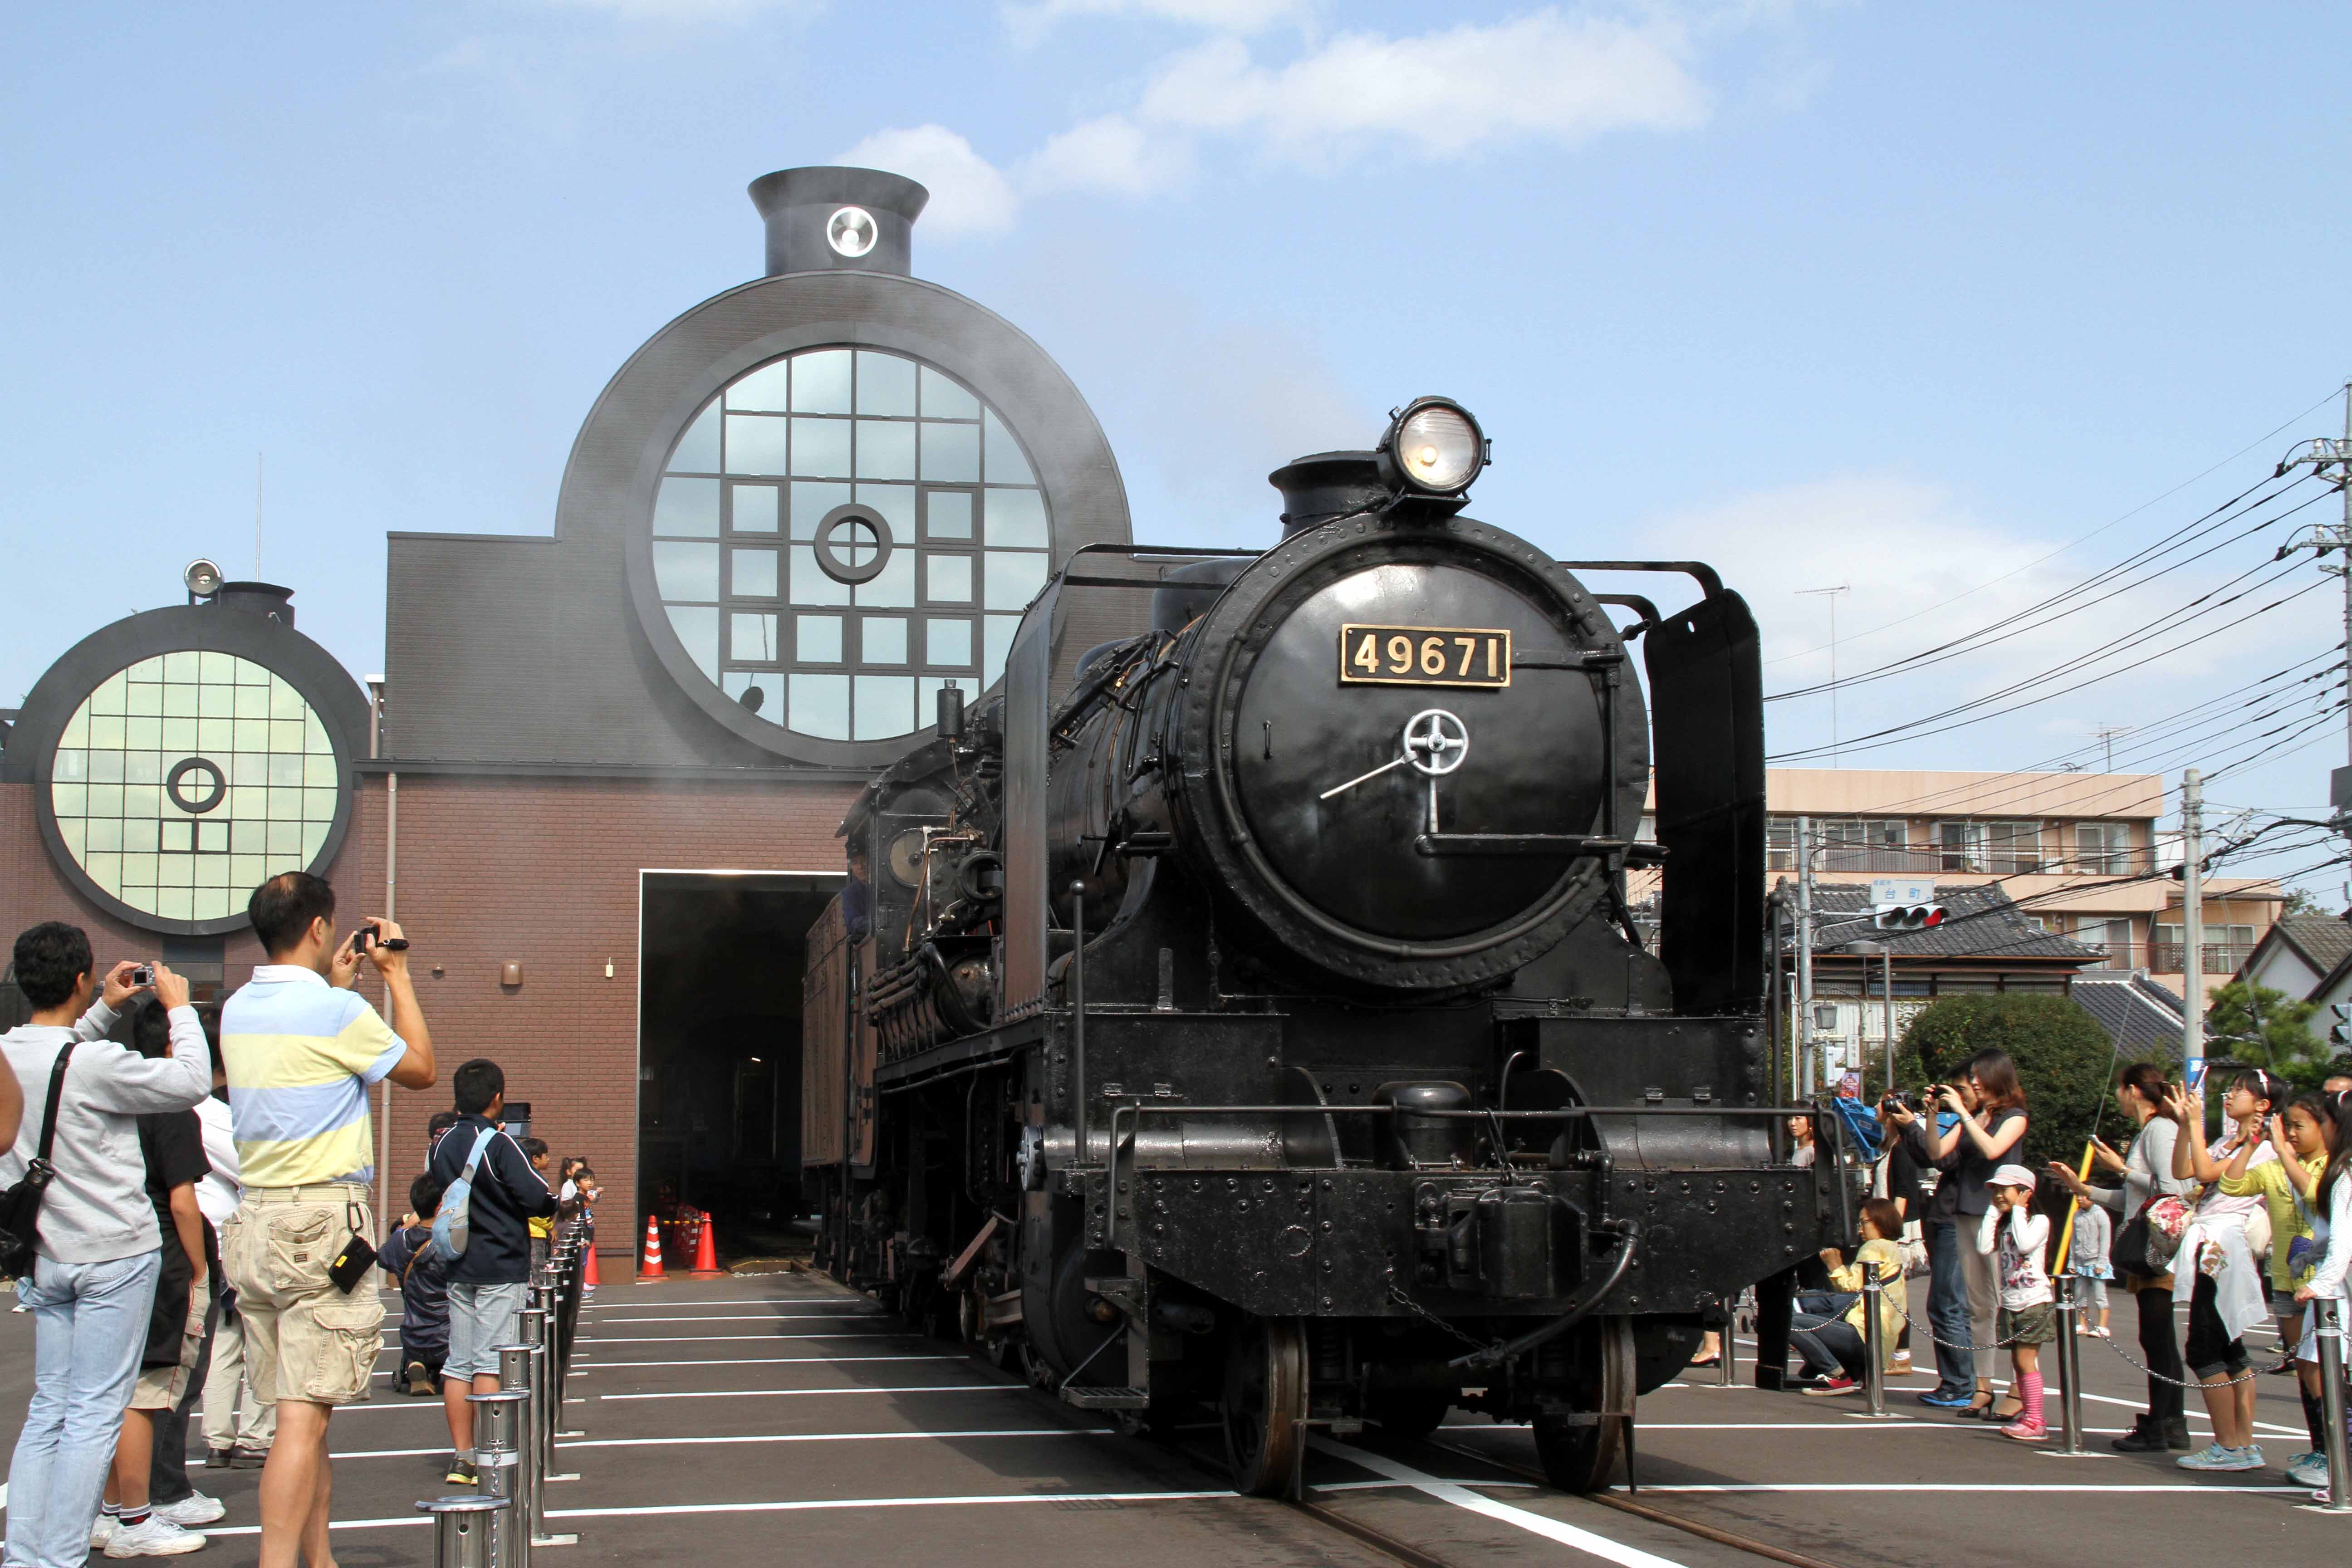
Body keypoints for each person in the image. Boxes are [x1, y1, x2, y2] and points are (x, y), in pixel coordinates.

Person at [219, 873, 435, 1568]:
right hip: (320, 1221)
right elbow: (423, 1069)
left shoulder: (237, 1009)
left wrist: (339, 989)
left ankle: (321, 1558)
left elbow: (302, 1057)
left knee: (304, 1416)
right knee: (300, 1421)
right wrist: (395, 975)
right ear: (318, 928)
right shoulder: (335, 1014)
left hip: (255, 1220)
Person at [0, 925, 209, 1568]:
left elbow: (60, 1057)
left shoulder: (11, 1054)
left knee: (51, 1410)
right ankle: (60, 1556)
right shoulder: (96, 1064)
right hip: (115, 1254)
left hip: (45, 1254)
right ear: (79, 978)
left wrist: (103, 1009)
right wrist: (179, 1007)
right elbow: (192, 1081)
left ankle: (27, 1554)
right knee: (96, 1413)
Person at [90, 1001, 223, 1558]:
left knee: (110, 1395)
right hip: (167, 1260)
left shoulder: (111, 1097)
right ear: (175, 1048)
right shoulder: (171, 1109)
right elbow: (184, 1200)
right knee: (148, 1398)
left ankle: (108, 1513)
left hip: (116, 1255)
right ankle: (138, 1515)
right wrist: (198, 1270)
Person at [2048, 1062, 2195, 1451]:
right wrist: (2085, 1188)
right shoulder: (2151, 1130)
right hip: (2150, 1246)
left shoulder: (2160, 1130)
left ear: (2133, 1090)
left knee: (2158, 1336)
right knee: (2156, 1337)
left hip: (2161, 1246)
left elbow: (2175, 1186)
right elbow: (2133, 1198)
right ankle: (2169, 1422)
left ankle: (2163, 1425)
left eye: (2119, 1089)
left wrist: (2123, 1168)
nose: (2117, 1097)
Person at [428, 1059, 555, 1487]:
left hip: (457, 1262)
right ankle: (492, 1453)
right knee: (490, 1360)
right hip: (500, 1264)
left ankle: (462, 1458)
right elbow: (538, 1197)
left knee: (458, 1363)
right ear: (497, 1098)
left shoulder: (440, 1144)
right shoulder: (500, 1145)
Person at [2165, 1070, 2285, 1470]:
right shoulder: (2228, 1141)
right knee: (2231, 1349)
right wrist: (2186, 1125)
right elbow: (2182, 1170)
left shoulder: (2263, 1145)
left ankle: (2229, 1446)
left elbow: (2204, 1173)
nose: (2229, 1096)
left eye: (2239, 1091)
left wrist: (2197, 1124)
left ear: (2263, 1105)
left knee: (2204, 1347)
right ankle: (2242, 1444)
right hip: (2211, 1244)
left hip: (2223, 1247)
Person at [2223, 1092, 2332, 1483]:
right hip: (2287, 1281)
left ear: (2325, 1127)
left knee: (2324, 1370)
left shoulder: (2331, 1166)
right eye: (2290, 1127)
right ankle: (2321, 1448)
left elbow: (2315, 1196)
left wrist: (2283, 1153)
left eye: (2301, 1126)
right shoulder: (2272, 1167)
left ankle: (2335, 1451)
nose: (2293, 1135)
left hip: (2322, 1284)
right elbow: (2232, 1184)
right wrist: (2251, 1144)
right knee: (2304, 1369)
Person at [1925, 1050, 2030, 1419]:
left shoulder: (2014, 1117)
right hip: (1967, 1212)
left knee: (2009, 1302)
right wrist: (1934, 1114)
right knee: (1978, 1305)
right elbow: (1936, 1151)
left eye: (1977, 1077)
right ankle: (1983, 1386)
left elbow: (1992, 1149)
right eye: (1970, 1079)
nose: (1972, 1085)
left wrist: (1966, 1115)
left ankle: (2019, 1390)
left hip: (2000, 1213)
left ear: (1995, 1077)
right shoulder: (1978, 1116)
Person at [192, 1010, 269, 1472]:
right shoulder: (210, 1112)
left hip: (208, 1243)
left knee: (224, 1342)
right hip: (230, 1240)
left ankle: (217, 1435)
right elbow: (251, 1168)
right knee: (259, 1337)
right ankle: (255, 1435)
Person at [1882, 1088, 1974, 1409]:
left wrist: (1914, 1126)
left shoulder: (1976, 1124)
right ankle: (1959, 1382)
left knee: (1949, 1305)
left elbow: (1941, 1158)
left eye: (1964, 1089)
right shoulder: (1963, 1124)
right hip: (1946, 1217)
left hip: (1959, 1220)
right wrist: (1927, 1119)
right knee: (1946, 1305)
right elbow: (1932, 1156)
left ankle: (1961, 1384)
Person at [2291, 1088, 2352, 1497]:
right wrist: (2310, 1255)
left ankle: (2342, 1471)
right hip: (2338, 1288)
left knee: (2323, 1371)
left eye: (2325, 1120)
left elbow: (2344, 1244)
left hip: (2339, 1296)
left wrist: (2318, 1284)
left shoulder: (2345, 1174)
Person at [1790, 1198, 1906, 1395]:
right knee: (1807, 1367)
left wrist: (1833, 1264)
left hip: (1863, 1334)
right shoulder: (1892, 1249)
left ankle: (1836, 1374)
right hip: (1882, 1341)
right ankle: (1849, 1370)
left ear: (1880, 1221)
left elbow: (1852, 1286)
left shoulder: (1874, 1247)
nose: (1860, 1230)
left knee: (1785, 1321)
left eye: (1864, 1223)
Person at [1978, 1165, 2056, 1441]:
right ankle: (2030, 1415)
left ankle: (2036, 1420)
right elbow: (1983, 1247)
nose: (1999, 1195)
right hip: (2010, 1301)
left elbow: (2025, 1246)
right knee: (2017, 1361)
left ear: (2025, 1193)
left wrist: (2020, 1210)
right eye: (1995, 1191)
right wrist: (1993, 1213)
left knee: (2026, 1360)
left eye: (2004, 1190)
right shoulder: (2007, 1223)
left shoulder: (2039, 1221)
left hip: (2034, 1300)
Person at [377, 1174, 451, 1397]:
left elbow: (383, 1257)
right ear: (441, 1205)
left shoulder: (401, 1241)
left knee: (417, 1346)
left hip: (413, 1333)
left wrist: (405, 1228)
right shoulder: (450, 1242)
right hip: (449, 1334)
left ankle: (415, 1364)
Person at [2069, 1199, 2113, 1338]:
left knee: (2100, 1296)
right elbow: (2073, 1239)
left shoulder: (2101, 1215)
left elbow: (2105, 1240)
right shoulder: (2077, 1215)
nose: (2080, 1199)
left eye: (2084, 1196)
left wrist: (2102, 1263)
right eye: (2078, 1195)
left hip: (2096, 1263)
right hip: (2081, 1263)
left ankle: (2103, 1326)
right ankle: (2082, 1324)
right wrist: (2072, 1261)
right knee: (2080, 1295)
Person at [522, 1138, 554, 1274]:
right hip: (534, 1233)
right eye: (546, 1155)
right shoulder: (531, 1179)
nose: (549, 1159)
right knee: (537, 1269)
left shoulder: (526, 1176)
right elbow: (533, 1209)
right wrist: (550, 1226)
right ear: (536, 1158)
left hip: (533, 1232)